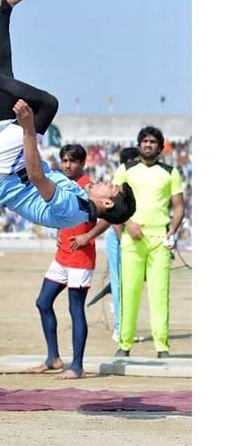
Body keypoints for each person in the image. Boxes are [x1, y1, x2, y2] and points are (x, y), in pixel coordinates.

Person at [0, 0, 136, 230]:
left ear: (107, 202)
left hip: (4, 170)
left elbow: (36, 176)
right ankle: (2, 10)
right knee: (6, 82)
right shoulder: (81, 204)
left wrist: (29, 130)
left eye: (112, 187)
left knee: (48, 104)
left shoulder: (74, 208)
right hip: (4, 168)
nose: (107, 180)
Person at [113, 126, 185, 358]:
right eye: (144, 141)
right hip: (132, 238)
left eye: (153, 142)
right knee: (130, 292)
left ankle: (162, 346)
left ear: (160, 147)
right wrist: (128, 223)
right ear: (138, 145)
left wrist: (172, 232)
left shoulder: (170, 173)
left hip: (159, 239)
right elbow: (113, 202)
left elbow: (179, 207)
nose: (148, 145)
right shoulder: (126, 170)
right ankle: (124, 345)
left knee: (159, 294)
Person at [29, 144, 99, 379]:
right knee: (43, 301)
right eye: (65, 160)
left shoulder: (88, 186)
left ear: (82, 163)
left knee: (75, 309)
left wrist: (88, 235)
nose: (68, 165)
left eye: (73, 161)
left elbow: (112, 215)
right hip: (63, 255)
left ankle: (77, 366)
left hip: (81, 256)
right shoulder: (62, 182)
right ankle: (53, 358)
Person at [103, 146, 140, 341]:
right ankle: (120, 327)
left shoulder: (134, 184)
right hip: (118, 237)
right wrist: (122, 241)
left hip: (129, 238)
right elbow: (114, 218)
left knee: (130, 284)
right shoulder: (119, 184)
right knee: (119, 284)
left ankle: (124, 324)